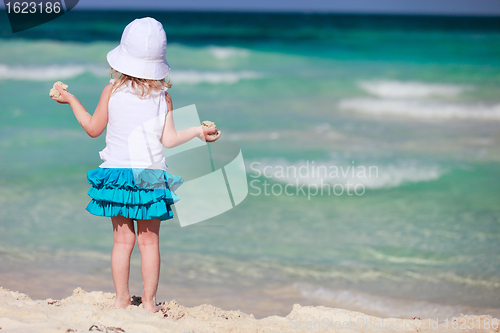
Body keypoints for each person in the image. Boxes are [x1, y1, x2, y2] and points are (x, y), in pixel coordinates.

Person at [51, 17, 220, 312]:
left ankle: (121, 300)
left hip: (116, 176)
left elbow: (93, 128)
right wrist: (197, 132)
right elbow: (168, 140)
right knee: (149, 243)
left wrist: (71, 99)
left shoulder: (111, 91)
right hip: (150, 176)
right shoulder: (162, 98)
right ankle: (150, 304)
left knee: (122, 242)